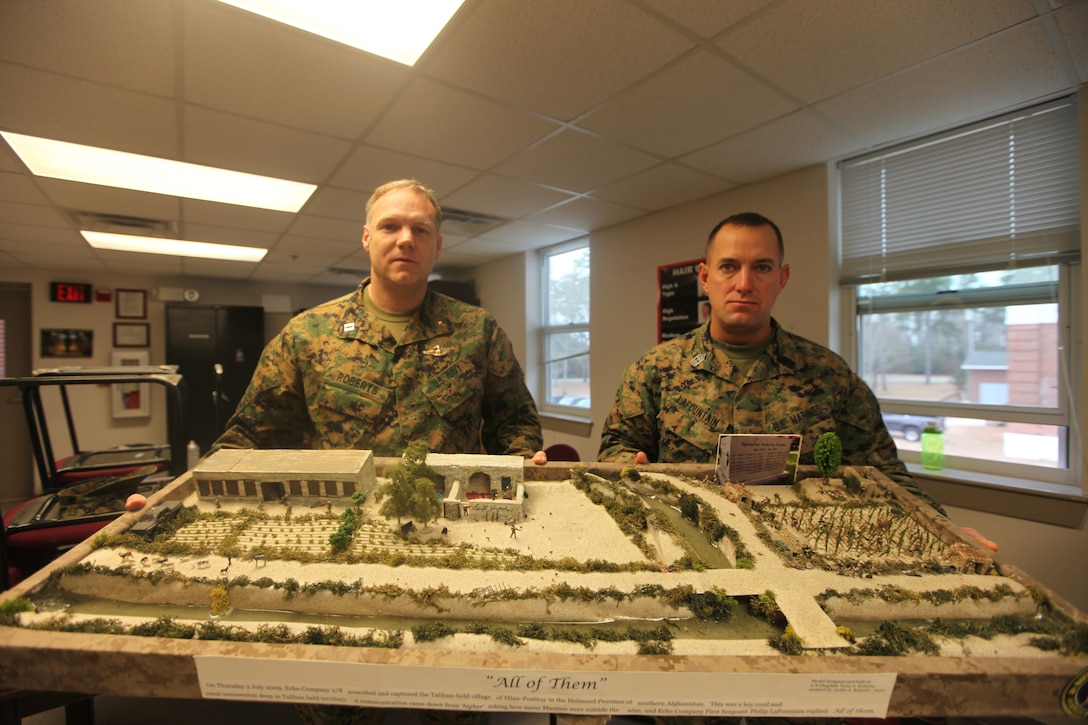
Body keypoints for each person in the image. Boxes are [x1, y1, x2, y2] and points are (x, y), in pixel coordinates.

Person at [598, 211, 996, 549]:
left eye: (762, 268)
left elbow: (884, 475)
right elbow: (617, 447)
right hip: (689, 542)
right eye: (729, 266)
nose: (744, 283)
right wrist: (630, 468)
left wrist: (941, 530)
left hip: (802, 549)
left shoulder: (829, 376)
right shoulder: (656, 369)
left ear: (782, 278)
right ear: (705, 277)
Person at [212, 178, 547, 464]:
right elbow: (251, 438)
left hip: (453, 522)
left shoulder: (477, 330)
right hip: (347, 523)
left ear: (437, 246)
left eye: (421, 230)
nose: (405, 239)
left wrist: (520, 462)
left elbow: (515, 423)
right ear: (367, 238)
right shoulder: (307, 335)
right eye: (390, 226)